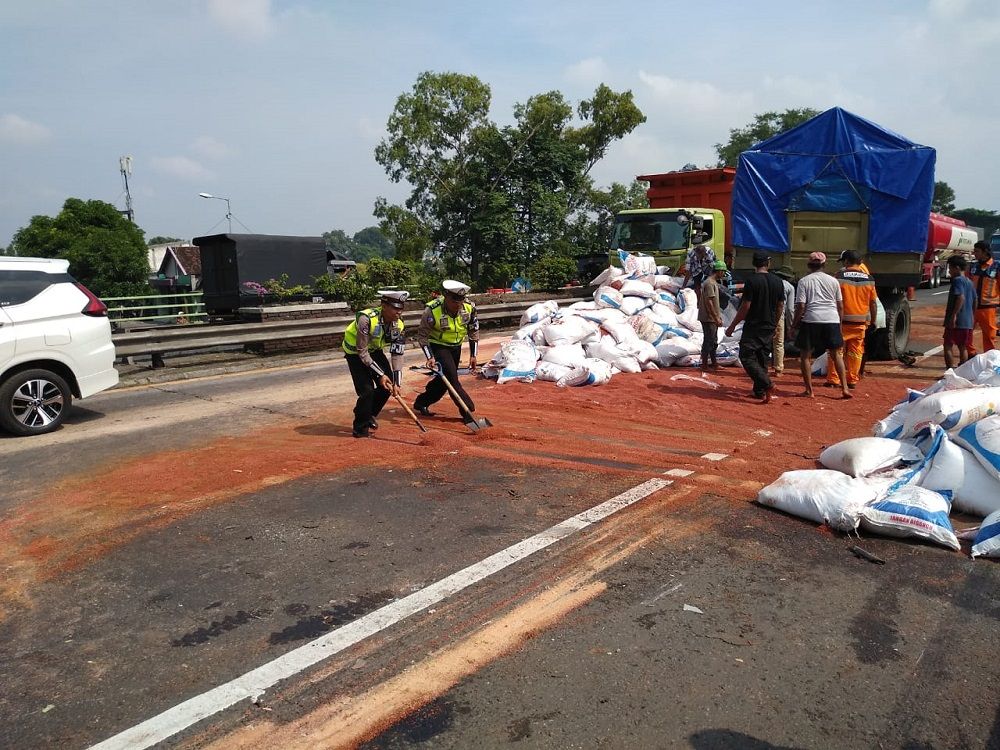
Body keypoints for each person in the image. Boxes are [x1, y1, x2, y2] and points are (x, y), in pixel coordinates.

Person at [342, 291, 408, 438]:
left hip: (374, 351)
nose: (399, 312)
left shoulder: (399, 325)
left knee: (387, 386)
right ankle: (360, 427)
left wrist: (397, 382)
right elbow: (362, 353)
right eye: (395, 308)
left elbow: (397, 354)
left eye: (401, 308)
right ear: (384, 306)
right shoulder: (366, 319)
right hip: (355, 353)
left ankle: (368, 413)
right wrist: (380, 374)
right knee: (367, 391)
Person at [724, 252, 785, 403]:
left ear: (754, 264)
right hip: (769, 325)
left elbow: (746, 306)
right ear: (768, 263)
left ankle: (767, 384)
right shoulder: (778, 281)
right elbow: (780, 305)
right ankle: (760, 392)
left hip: (754, 325)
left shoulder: (751, 281)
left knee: (746, 356)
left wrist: (732, 326)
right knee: (762, 359)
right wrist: (775, 323)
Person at [414, 280, 480, 417]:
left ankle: (422, 402)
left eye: (460, 301)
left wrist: (473, 355)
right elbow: (422, 336)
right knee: (452, 379)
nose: (458, 305)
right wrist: (430, 356)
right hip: (439, 346)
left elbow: (473, 331)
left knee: (444, 380)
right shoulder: (432, 310)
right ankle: (467, 410)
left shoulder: (469, 308)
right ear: (446, 296)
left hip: (456, 346)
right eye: (454, 301)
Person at [791, 252, 851, 399]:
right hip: (832, 319)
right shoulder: (833, 281)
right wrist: (839, 323)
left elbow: (801, 306)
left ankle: (809, 390)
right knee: (836, 354)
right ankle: (844, 388)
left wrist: (793, 325)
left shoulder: (804, 281)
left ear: (808, 265)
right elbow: (840, 306)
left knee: (805, 355)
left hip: (811, 319)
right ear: (824, 265)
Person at [826, 250, 877, 390]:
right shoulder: (870, 279)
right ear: (860, 262)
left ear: (847, 261)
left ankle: (833, 379)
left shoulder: (838, 276)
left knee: (836, 350)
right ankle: (852, 379)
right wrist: (873, 320)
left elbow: (833, 299)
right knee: (856, 351)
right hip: (860, 322)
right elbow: (873, 303)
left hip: (841, 321)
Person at [944, 255, 977, 368]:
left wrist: (954, 315)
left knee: (948, 345)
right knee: (962, 346)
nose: (949, 271)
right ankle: (962, 371)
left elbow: (961, 297)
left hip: (957, 321)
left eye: (950, 268)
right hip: (967, 321)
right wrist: (973, 316)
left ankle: (950, 371)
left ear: (957, 268)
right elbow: (975, 300)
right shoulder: (969, 282)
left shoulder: (957, 281)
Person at [967, 240, 998, 355]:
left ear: (985, 252)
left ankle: (989, 358)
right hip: (972, 306)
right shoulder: (973, 266)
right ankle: (971, 354)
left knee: (989, 334)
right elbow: (967, 282)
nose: (974, 254)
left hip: (988, 307)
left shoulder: (996, 267)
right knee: (966, 331)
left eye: (977, 251)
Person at [698, 260, 727, 369]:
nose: (723, 275)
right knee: (709, 340)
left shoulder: (712, 282)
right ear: (719, 271)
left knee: (713, 340)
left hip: (711, 317)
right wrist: (715, 317)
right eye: (723, 272)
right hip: (708, 317)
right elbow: (709, 302)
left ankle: (714, 363)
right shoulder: (709, 283)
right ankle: (704, 364)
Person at [771, 265, 795, 375]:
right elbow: (790, 309)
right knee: (778, 343)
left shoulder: (771, 282)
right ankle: (778, 369)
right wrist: (790, 326)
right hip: (779, 316)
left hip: (766, 314)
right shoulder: (790, 287)